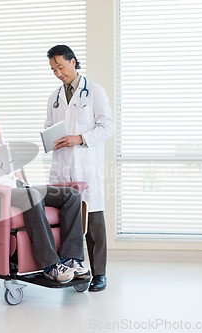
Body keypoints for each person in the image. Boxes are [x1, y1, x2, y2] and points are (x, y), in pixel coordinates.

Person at [0, 108, 90, 284]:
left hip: (22, 190)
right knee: (32, 195)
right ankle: (51, 266)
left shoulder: (5, 150)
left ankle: (71, 259)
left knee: (70, 195)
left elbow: (20, 176)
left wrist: (28, 184)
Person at [45, 45, 114, 292]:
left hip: (86, 165)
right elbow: (48, 126)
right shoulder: (54, 98)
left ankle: (100, 274)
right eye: (53, 69)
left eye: (60, 67)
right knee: (67, 222)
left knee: (93, 223)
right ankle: (71, 268)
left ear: (74, 62)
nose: (57, 73)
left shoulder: (95, 91)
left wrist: (80, 138)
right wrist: (50, 139)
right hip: (62, 167)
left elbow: (107, 127)